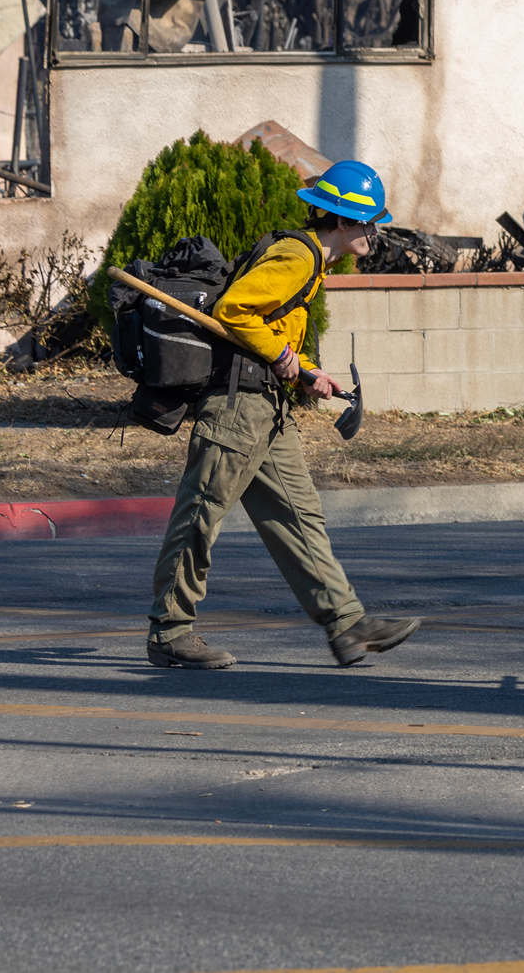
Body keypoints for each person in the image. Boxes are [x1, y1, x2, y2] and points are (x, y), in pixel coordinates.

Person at [145, 160, 422, 670]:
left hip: (265, 407)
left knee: (299, 516)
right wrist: (281, 358)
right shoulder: (297, 257)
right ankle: (170, 631)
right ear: (342, 222)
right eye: (368, 222)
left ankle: (347, 626)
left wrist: (309, 371)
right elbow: (233, 311)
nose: (373, 232)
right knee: (200, 516)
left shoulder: (310, 263)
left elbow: (271, 330)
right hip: (237, 408)